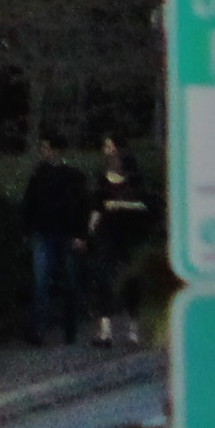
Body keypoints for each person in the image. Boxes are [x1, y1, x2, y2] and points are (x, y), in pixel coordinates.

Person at [79, 136, 152, 349]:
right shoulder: (102, 180)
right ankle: (105, 331)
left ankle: (133, 330)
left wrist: (120, 205)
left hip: (130, 236)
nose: (107, 152)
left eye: (110, 147)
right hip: (107, 235)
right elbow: (96, 208)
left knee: (131, 281)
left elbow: (145, 205)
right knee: (103, 279)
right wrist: (88, 234)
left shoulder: (135, 179)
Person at [18, 143, 92, 349]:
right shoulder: (40, 175)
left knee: (64, 281)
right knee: (45, 282)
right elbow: (29, 202)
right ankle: (42, 329)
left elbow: (83, 205)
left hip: (64, 233)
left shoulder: (71, 176)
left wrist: (81, 235)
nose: (45, 152)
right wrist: (26, 230)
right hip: (47, 233)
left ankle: (66, 327)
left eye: (47, 148)